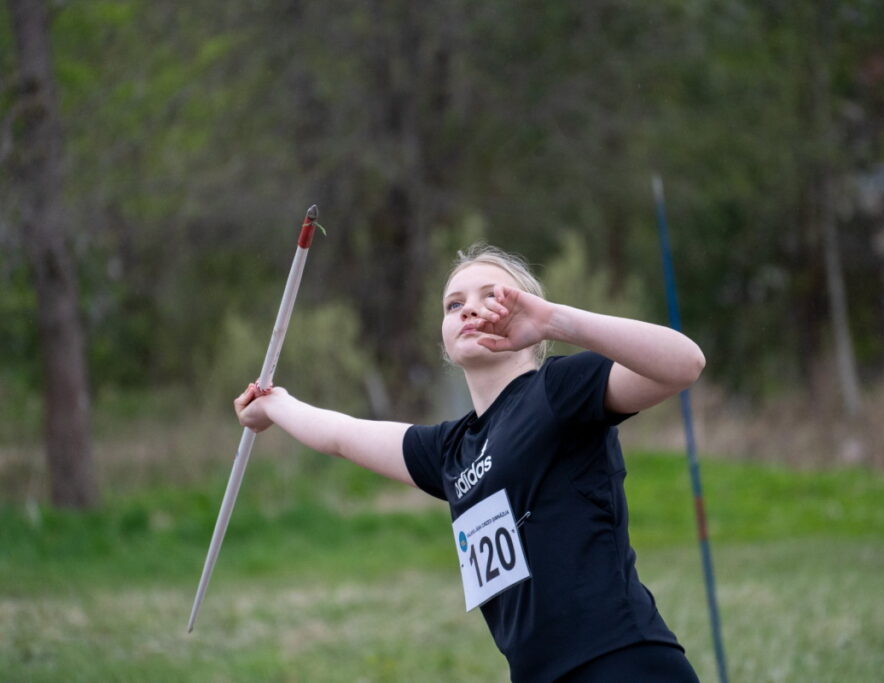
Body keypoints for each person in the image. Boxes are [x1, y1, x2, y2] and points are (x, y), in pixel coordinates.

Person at [235, 244, 705, 682]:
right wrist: (274, 404)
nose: (470, 309)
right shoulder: (450, 452)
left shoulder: (557, 390)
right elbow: (339, 435)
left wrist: (554, 321)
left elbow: (685, 364)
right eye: (453, 304)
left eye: (492, 296)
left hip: (621, 660)